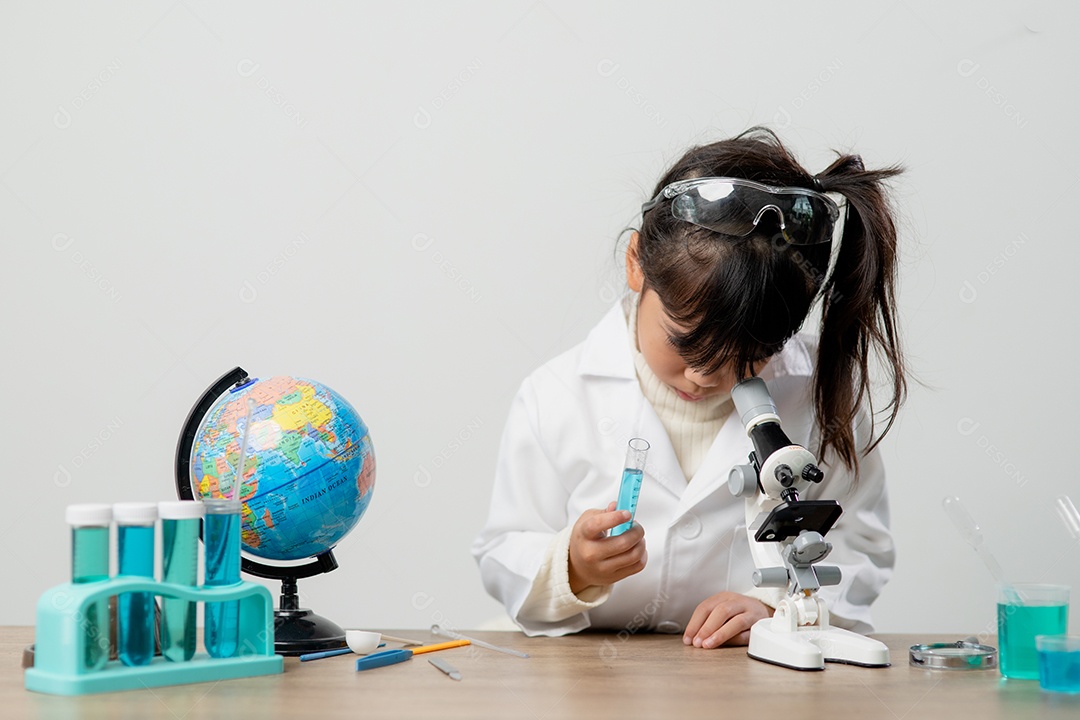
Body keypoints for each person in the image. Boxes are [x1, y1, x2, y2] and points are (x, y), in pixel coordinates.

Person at [471, 127, 906, 649]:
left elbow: (861, 544)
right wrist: (572, 565)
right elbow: (502, 551)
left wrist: (778, 606)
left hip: (748, 683)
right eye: (685, 343)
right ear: (636, 264)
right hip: (589, 681)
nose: (705, 377)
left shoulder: (820, 393)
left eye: (748, 356)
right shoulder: (556, 395)